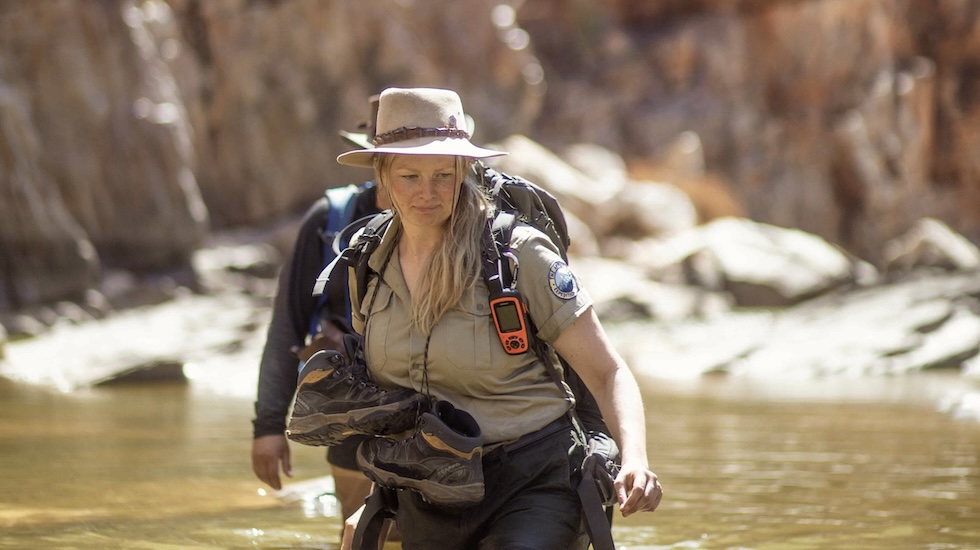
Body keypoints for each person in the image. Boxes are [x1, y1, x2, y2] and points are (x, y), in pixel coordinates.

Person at [330, 87, 663, 549]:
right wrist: (375, 499)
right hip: (429, 490)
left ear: (463, 172)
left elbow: (608, 371)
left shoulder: (516, 254)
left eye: (442, 176)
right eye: (409, 175)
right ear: (382, 179)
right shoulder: (369, 262)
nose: (427, 193)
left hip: (532, 480)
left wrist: (635, 461)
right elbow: (392, 401)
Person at [250, 107, 386, 525]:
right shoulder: (331, 221)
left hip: (444, 411)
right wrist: (269, 427)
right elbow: (288, 322)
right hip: (354, 411)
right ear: (375, 160)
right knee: (361, 530)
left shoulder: (470, 224)